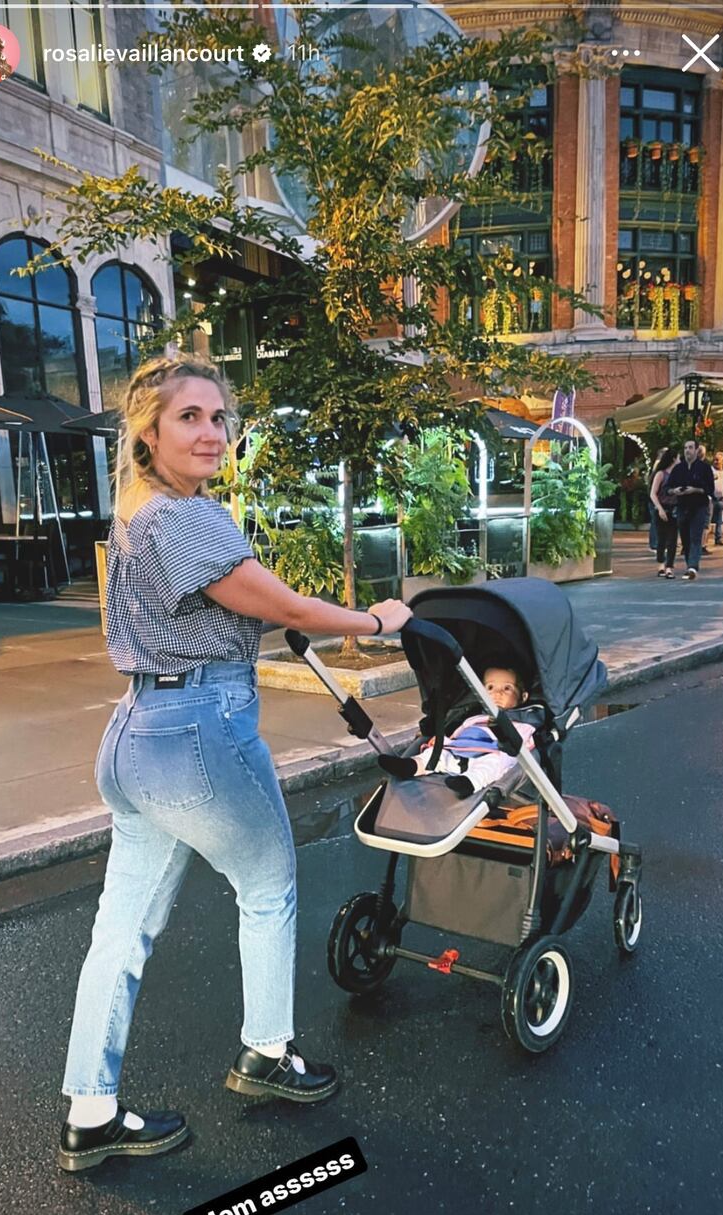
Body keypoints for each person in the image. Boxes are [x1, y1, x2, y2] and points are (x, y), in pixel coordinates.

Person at [57, 355, 413, 1173]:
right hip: (196, 729)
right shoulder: (186, 519)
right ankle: (268, 1053)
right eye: (189, 417)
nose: (212, 432)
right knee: (268, 884)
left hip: (135, 730)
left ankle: (91, 1111)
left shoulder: (135, 513)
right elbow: (282, 606)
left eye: (219, 417)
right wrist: (375, 619)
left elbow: (232, 608)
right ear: (148, 433)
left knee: (122, 928)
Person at [380, 665, 534, 787]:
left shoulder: (524, 723)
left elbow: (524, 746)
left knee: (497, 764)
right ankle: (411, 766)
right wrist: (443, 741)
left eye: (507, 688)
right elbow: (460, 732)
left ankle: (469, 782)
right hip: (460, 751)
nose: (497, 693)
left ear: (523, 696)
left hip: (491, 753)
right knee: (436, 754)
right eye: (490, 688)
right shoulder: (474, 717)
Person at [666, 439, 714, 581]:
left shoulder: (704, 468)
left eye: (690, 447)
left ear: (696, 450)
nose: (687, 450)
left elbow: (710, 489)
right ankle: (690, 565)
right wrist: (674, 491)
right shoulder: (678, 469)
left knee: (695, 537)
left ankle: (693, 567)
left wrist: (695, 490)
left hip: (699, 506)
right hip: (682, 506)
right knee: (685, 538)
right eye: (686, 448)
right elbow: (667, 488)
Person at [649, 445, 680, 579]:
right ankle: (661, 564)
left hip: (674, 509)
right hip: (662, 508)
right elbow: (653, 493)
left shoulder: (678, 475)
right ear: (673, 459)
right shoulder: (661, 474)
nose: (680, 460)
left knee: (673, 540)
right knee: (661, 538)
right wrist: (660, 509)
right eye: (678, 458)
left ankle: (669, 567)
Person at [710, 450, 723, 547]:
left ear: (722, 461)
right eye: (714, 460)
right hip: (711, 499)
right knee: (707, 521)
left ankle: (718, 538)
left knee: (720, 521)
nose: (715, 462)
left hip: (722, 498)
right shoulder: (710, 470)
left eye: (717, 460)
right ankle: (703, 541)